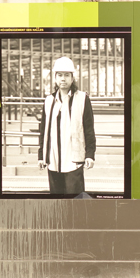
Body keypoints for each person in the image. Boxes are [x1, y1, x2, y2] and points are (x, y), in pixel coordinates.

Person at [38, 57, 96, 195]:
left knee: (75, 202)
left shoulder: (82, 99)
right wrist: (41, 156)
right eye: (59, 75)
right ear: (55, 77)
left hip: (73, 161)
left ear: (72, 77)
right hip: (53, 161)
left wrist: (90, 155)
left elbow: (89, 129)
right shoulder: (49, 101)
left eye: (66, 75)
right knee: (56, 202)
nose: (62, 79)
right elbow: (43, 130)